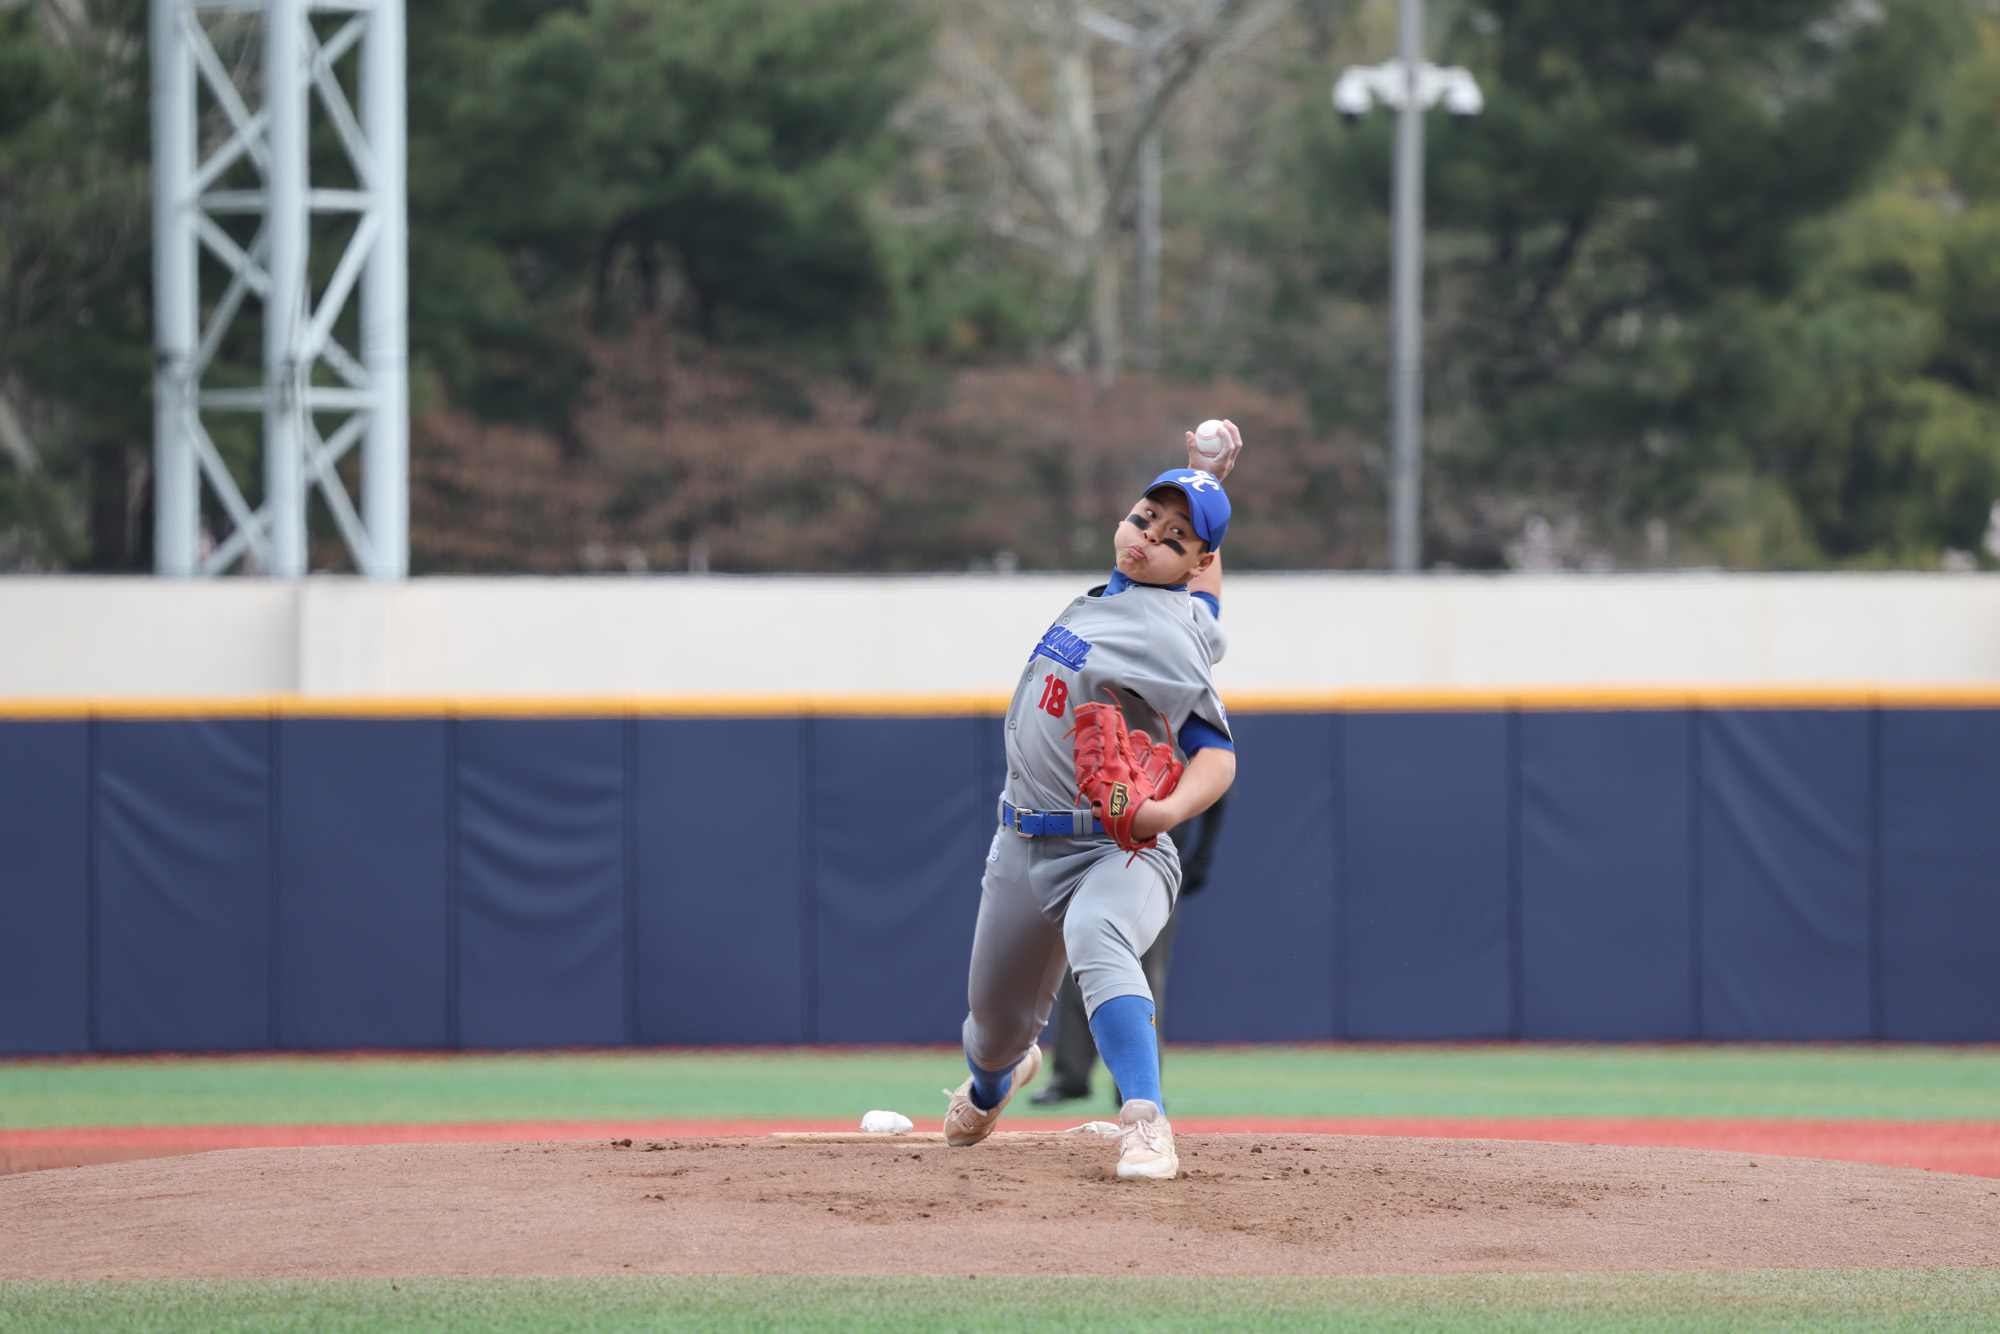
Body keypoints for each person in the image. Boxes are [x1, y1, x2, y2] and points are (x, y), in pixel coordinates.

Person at [942, 423, 1242, 1181]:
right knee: (992, 1030)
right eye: (1146, 517)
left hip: (1116, 846)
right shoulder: (1145, 598)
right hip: (1021, 844)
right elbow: (1204, 595)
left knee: (1099, 932)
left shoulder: (1162, 631)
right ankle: (992, 1083)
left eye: (1174, 537)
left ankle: (1145, 1121)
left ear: (1193, 558)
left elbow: (1217, 754)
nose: (1149, 537)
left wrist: (1166, 813)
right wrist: (1206, 477)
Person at [1029, 791, 1229, 1109]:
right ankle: (1069, 1077)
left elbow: (1218, 789)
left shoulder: (1184, 743)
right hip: (1093, 853)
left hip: (1154, 857)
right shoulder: (1094, 741)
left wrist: (1204, 851)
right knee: (1080, 966)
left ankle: (1137, 1086)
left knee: (1144, 978)